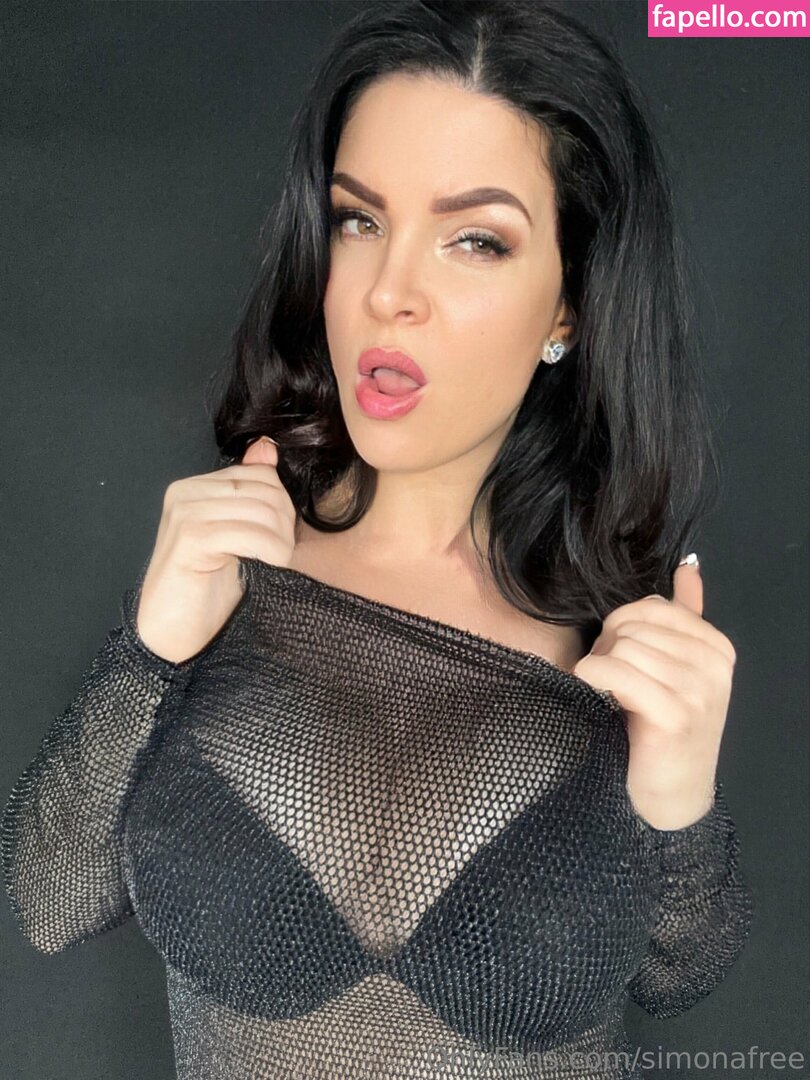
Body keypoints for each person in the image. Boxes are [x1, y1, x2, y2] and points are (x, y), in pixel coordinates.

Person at [2, 2, 753, 1077]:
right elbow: (49, 900)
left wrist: (680, 802)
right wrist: (149, 650)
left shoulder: (614, 632)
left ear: (570, 308)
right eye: (359, 221)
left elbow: (679, 971)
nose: (390, 292)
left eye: (474, 240)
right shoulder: (233, 566)